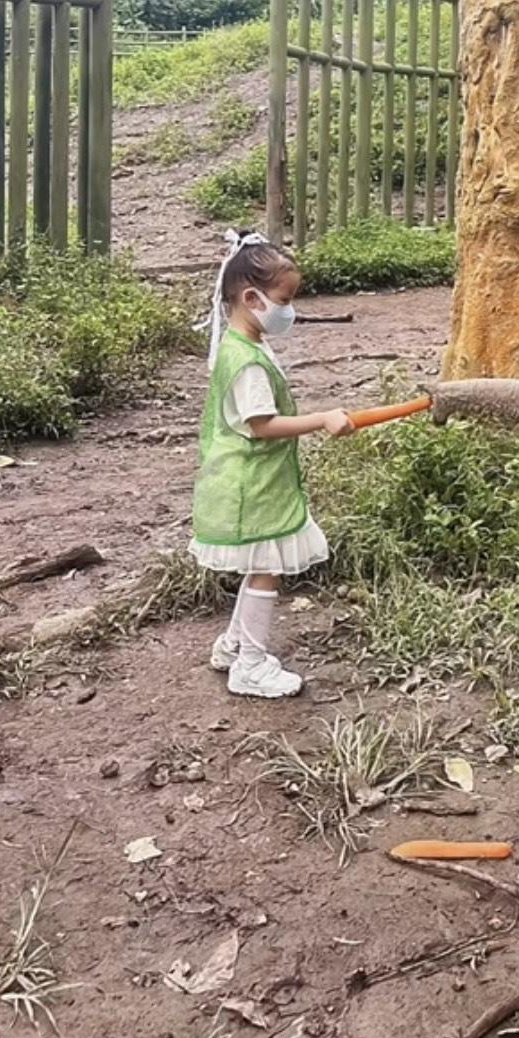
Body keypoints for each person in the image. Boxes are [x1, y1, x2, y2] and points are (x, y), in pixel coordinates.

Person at [190, 230, 353, 698]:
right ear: (251, 298)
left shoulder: (245, 343)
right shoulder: (247, 361)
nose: (289, 310)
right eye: (284, 300)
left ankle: (233, 645)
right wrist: (322, 419)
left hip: (255, 479)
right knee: (266, 569)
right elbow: (261, 424)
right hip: (252, 484)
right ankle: (251, 665)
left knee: (259, 564)